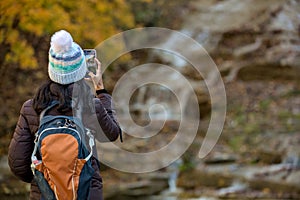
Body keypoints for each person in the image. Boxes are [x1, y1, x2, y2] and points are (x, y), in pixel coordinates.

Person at [8, 30, 121, 200]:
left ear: (51, 70)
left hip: (44, 194)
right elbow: (112, 134)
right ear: (81, 71)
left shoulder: (31, 108)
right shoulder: (91, 105)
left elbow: (17, 164)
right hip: (87, 193)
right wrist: (101, 91)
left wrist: (43, 178)